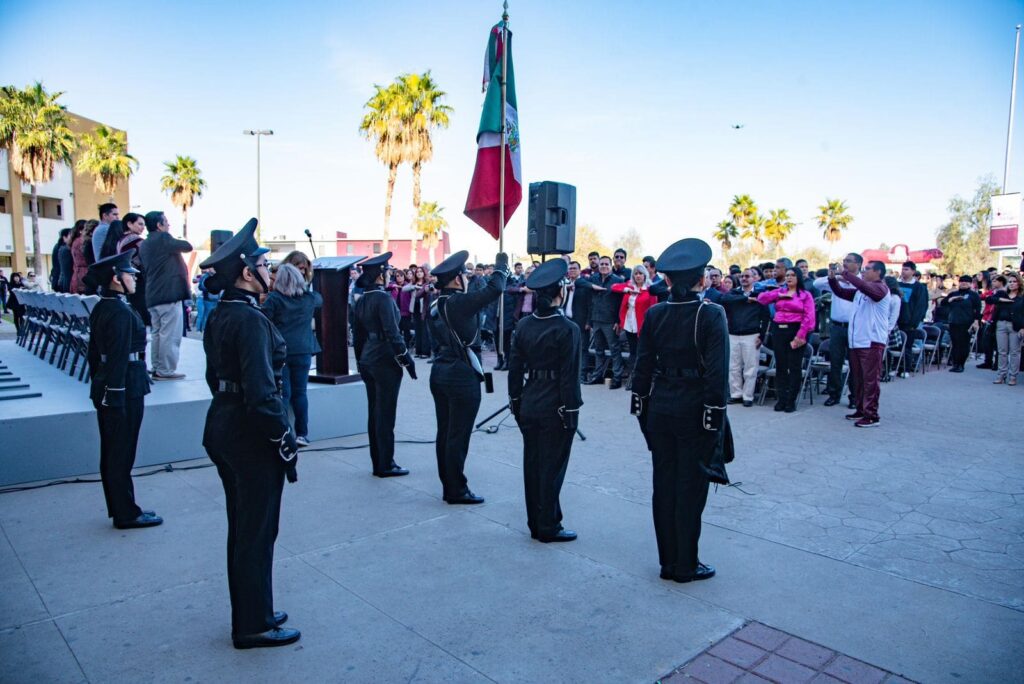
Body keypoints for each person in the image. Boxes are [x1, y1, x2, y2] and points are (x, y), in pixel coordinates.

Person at [199, 218, 301, 650]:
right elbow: (262, 395)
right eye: (264, 265)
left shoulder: (222, 314)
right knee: (257, 530)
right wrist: (283, 439)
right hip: (250, 434)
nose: (270, 272)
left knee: (243, 527)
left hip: (223, 425)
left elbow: (213, 377)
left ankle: (254, 608)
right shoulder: (251, 321)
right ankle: (253, 624)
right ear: (246, 272)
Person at [631, 238, 729, 584]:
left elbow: (641, 370)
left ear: (669, 280)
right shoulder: (711, 313)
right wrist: (714, 420)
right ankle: (685, 564)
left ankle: (667, 561)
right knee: (690, 488)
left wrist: (642, 414)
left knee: (664, 485)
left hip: (660, 407)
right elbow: (717, 376)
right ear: (702, 280)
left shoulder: (657, 313)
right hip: (694, 410)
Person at [85, 251, 162, 530]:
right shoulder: (117, 310)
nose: (134, 277)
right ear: (116, 279)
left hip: (113, 383)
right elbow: (117, 356)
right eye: (129, 274)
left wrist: (100, 385)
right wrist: (115, 393)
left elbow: (94, 355)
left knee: (113, 452)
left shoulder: (105, 306)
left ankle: (121, 507)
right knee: (121, 452)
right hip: (124, 386)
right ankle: (126, 513)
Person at [508, 258, 582, 543]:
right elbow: (569, 376)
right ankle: (549, 525)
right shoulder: (567, 328)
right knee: (552, 468)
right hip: (555, 404)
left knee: (533, 464)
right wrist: (571, 410)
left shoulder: (525, 325)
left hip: (530, 399)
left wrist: (516, 400)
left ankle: (536, 523)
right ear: (560, 292)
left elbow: (515, 369)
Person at [428, 250, 509, 504]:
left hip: (440, 370)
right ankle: (456, 489)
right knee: (458, 435)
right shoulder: (458, 302)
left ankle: (448, 485)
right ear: (455, 280)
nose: (466, 278)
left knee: (445, 432)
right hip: (461, 374)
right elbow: (495, 288)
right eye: (463, 275)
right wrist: (501, 265)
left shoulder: (436, 303)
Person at [351, 253, 415, 476]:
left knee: (374, 412)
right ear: (379, 274)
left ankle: (378, 461)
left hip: (369, 358)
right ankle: (386, 464)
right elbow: (392, 333)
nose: (389, 275)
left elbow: (357, 336)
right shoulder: (383, 299)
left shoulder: (363, 299)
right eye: (387, 271)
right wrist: (406, 358)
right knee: (386, 414)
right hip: (384, 360)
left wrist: (360, 360)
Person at [262, 264, 324, 447]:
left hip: (281, 351)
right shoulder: (309, 299)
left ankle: (284, 433)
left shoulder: (274, 299)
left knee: (284, 393)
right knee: (301, 392)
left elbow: (263, 319)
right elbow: (320, 298)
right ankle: (302, 434)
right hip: (304, 350)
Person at [828, 260, 890, 427]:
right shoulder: (861, 292)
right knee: (859, 379)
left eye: (868, 269)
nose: (863, 272)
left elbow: (868, 289)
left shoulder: (880, 288)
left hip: (872, 341)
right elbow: (841, 292)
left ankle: (872, 415)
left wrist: (846, 274)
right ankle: (861, 409)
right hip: (857, 341)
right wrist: (833, 279)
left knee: (870, 380)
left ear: (878, 272)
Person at [139, 211, 193, 380]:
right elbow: (187, 246)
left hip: (153, 294)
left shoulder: (145, 244)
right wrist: (168, 236)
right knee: (170, 334)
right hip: (168, 294)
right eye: (166, 222)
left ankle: (157, 367)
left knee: (157, 334)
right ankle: (166, 370)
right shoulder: (162, 238)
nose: (169, 225)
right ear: (159, 225)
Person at [757, 268, 815, 412]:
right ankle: (781, 399)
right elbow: (762, 299)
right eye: (787, 275)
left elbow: (809, 317)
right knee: (781, 366)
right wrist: (778, 291)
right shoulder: (780, 292)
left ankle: (791, 400)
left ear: (799, 277)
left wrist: (800, 335)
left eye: (793, 275)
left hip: (796, 329)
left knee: (794, 367)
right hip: (779, 329)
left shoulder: (805, 295)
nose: (789, 277)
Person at [813, 255, 860, 408]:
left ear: (858, 264)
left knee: (855, 364)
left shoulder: (862, 280)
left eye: (848, 261)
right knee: (835, 362)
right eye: (844, 261)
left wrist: (850, 279)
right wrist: (836, 278)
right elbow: (816, 283)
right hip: (837, 327)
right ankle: (834, 394)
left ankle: (854, 398)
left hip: (855, 327)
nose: (845, 264)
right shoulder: (836, 279)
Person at [719, 269, 769, 407]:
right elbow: (723, 299)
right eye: (742, 276)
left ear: (754, 278)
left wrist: (762, 335)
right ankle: (736, 394)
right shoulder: (734, 293)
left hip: (752, 335)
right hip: (733, 334)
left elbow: (766, 317)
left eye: (747, 276)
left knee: (751, 368)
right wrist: (746, 298)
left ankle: (748, 396)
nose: (744, 278)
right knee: (733, 367)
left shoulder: (759, 295)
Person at [581, 256, 626, 388]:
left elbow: (620, 304)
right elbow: (589, 301)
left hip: (610, 321)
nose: (604, 266)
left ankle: (617, 378)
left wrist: (618, 321)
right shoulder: (594, 279)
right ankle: (598, 376)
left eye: (606, 264)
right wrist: (589, 320)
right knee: (598, 350)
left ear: (611, 265)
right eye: (602, 264)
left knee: (614, 350)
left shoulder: (617, 281)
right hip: (596, 320)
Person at [611, 264, 656, 390]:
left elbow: (653, 308)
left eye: (640, 273)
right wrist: (627, 290)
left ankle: (642, 379)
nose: (638, 276)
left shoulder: (650, 289)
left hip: (643, 325)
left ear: (645, 275)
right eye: (636, 273)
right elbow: (614, 287)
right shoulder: (630, 286)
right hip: (629, 324)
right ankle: (632, 378)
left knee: (642, 353)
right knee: (633, 352)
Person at [987, 273, 1023, 385]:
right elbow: (989, 299)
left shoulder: (1021, 297)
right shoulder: (1002, 293)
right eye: (1010, 282)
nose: (1012, 284)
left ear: (1019, 283)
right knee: (1002, 351)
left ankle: (1013, 376)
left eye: (1014, 281)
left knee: (1014, 352)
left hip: (1015, 326)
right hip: (1001, 324)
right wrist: (1002, 300)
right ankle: (1001, 374)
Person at [562, 261, 593, 382]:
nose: (572, 270)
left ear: (580, 270)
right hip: (566, 320)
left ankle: (582, 375)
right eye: (570, 269)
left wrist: (588, 322)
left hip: (581, 321)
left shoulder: (584, 284)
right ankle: (570, 373)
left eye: (575, 268)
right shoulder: (565, 284)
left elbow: (590, 305)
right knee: (568, 348)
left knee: (582, 349)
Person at [944, 276, 982, 373]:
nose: (963, 283)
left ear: (970, 283)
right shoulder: (953, 293)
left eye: (966, 282)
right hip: (953, 321)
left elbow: (978, 309)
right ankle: (955, 363)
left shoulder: (974, 295)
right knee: (955, 343)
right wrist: (952, 299)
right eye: (962, 281)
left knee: (964, 344)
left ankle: (961, 364)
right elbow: (944, 303)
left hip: (967, 323)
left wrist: (976, 321)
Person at [56, 228, 73, 292]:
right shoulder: (65, 249)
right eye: (70, 235)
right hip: (66, 282)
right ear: (64, 237)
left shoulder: (61, 248)